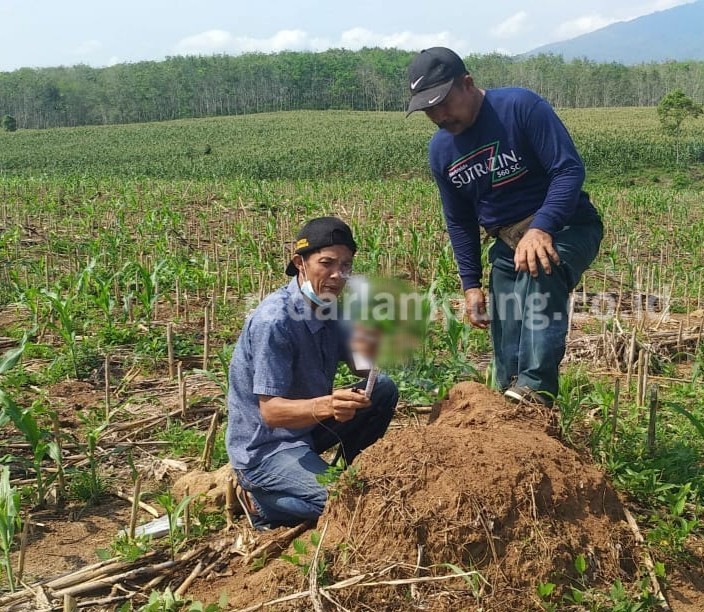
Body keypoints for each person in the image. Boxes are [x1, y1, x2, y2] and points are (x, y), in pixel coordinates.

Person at [407, 47, 603, 406]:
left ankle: (536, 389)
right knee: (506, 319)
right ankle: (507, 401)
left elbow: (568, 170)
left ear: (468, 83)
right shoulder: (440, 151)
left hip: (566, 225)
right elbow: (460, 219)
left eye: (443, 102)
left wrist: (541, 228)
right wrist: (470, 285)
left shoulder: (520, 107)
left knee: (541, 268)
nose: (438, 115)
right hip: (508, 240)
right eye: (428, 109)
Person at [226, 216, 398, 529]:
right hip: (266, 447)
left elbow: (361, 366)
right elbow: (272, 413)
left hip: (305, 429)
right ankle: (265, 503)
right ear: (300, 263)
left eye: (345, 266)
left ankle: (343, 474)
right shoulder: (274, 322)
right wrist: (330, 405)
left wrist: (369, 343)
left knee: (383, 389)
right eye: (327, 263)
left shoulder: (330, 307)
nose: (337, 275)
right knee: (348, 504)